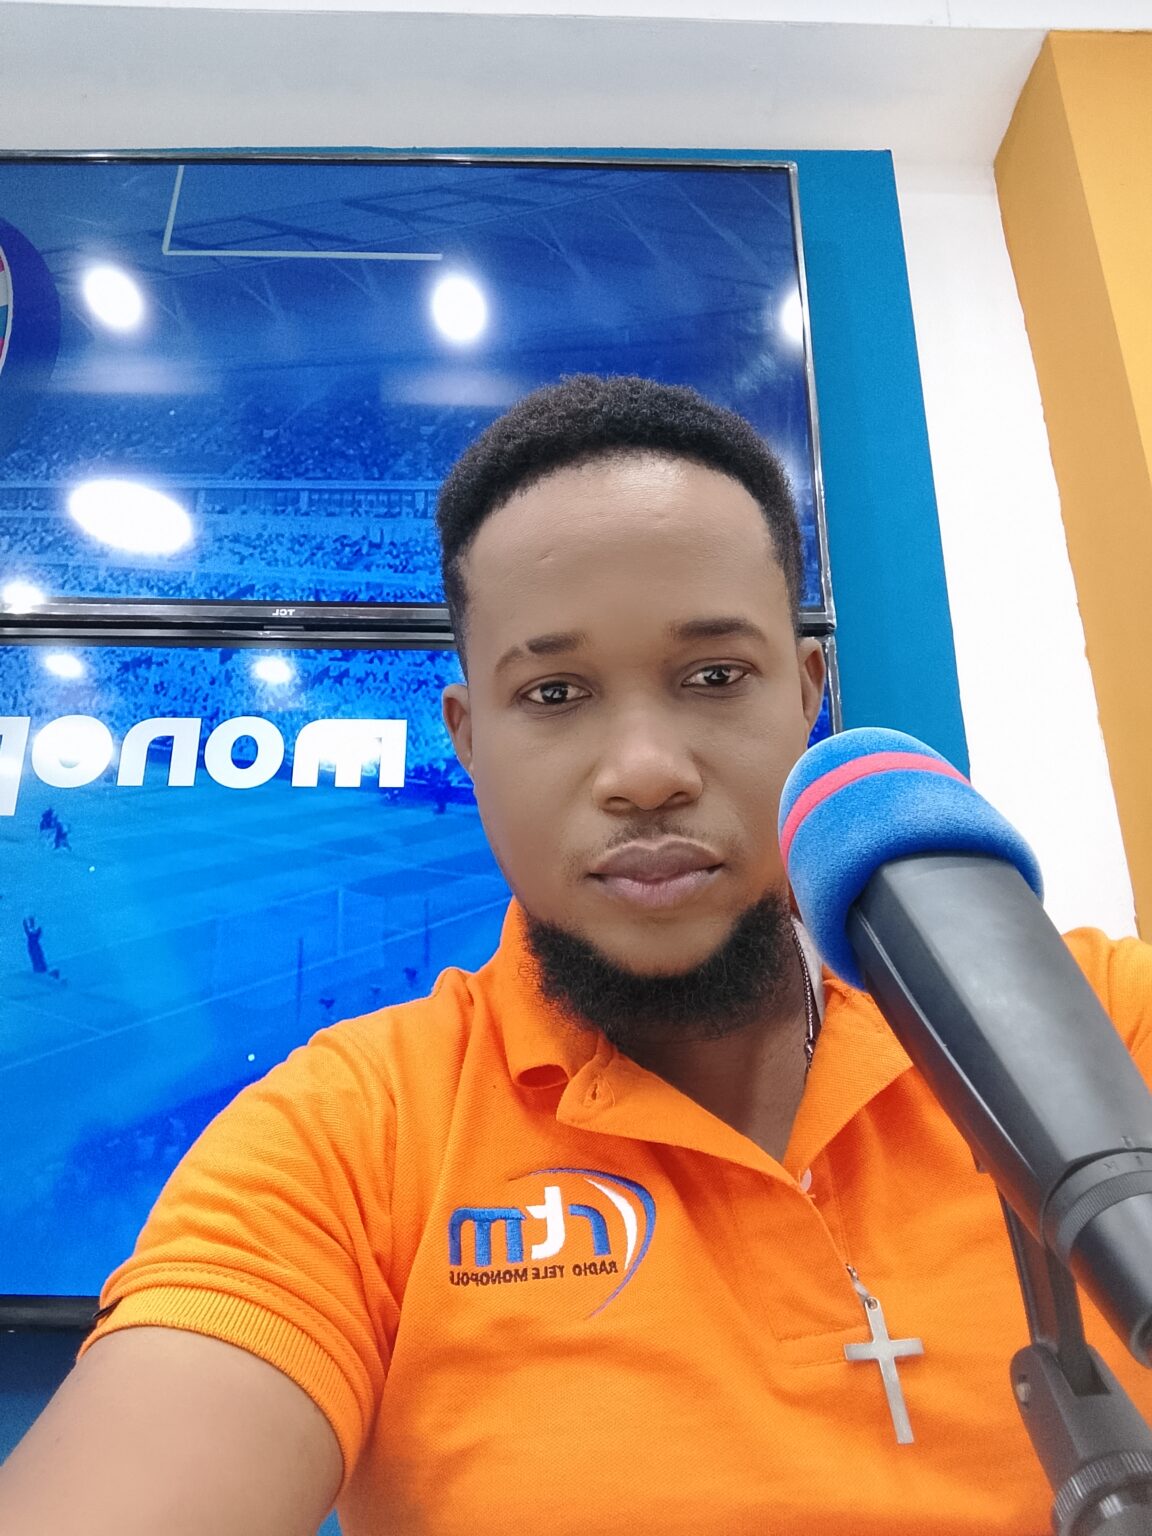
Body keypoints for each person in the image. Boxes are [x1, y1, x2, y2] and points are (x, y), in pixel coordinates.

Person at [2, 374, 1151, 1536]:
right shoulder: (351, 1139)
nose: (645, 771)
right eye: (554, 692)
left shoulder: (1103, 1020)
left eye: (715, 677)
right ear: (468, 740)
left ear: (809, 693)